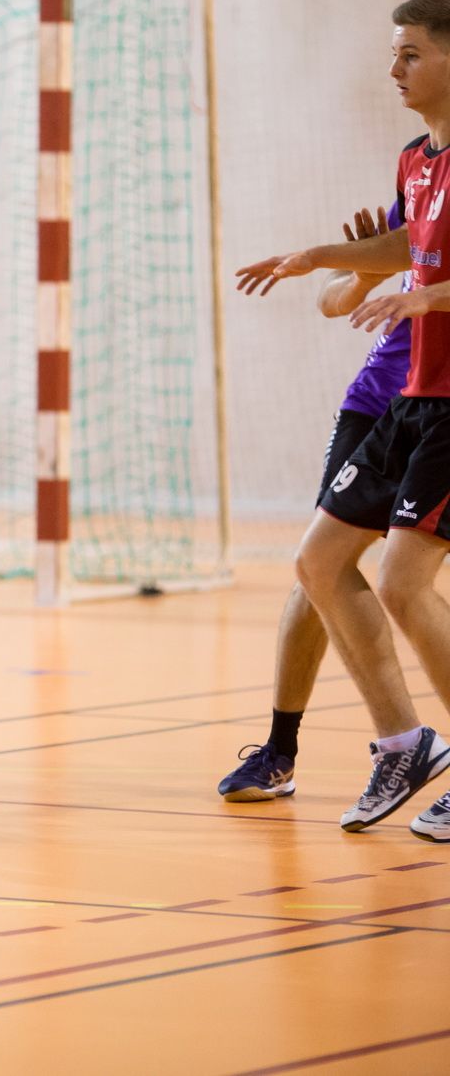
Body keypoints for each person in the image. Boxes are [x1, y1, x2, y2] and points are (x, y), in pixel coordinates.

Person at [234, 0, 450, 840]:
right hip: (408, 397)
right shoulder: (417, 161)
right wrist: (322, 257)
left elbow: (423, 274)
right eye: (394, 52)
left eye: (410, 54)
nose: (393, 69)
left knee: (401, 581)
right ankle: (402, 743)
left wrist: (425, 296)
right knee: (319, 562)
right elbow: (404, 249)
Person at [216, 204, 411, 804]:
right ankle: (279, 751)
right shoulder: (416, 177)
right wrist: (364, 277)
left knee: (408, 584)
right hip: (376, 404)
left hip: (439, 407)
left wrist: (323, 255)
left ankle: (408, 745)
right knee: (318, 564)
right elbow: (333, 300)